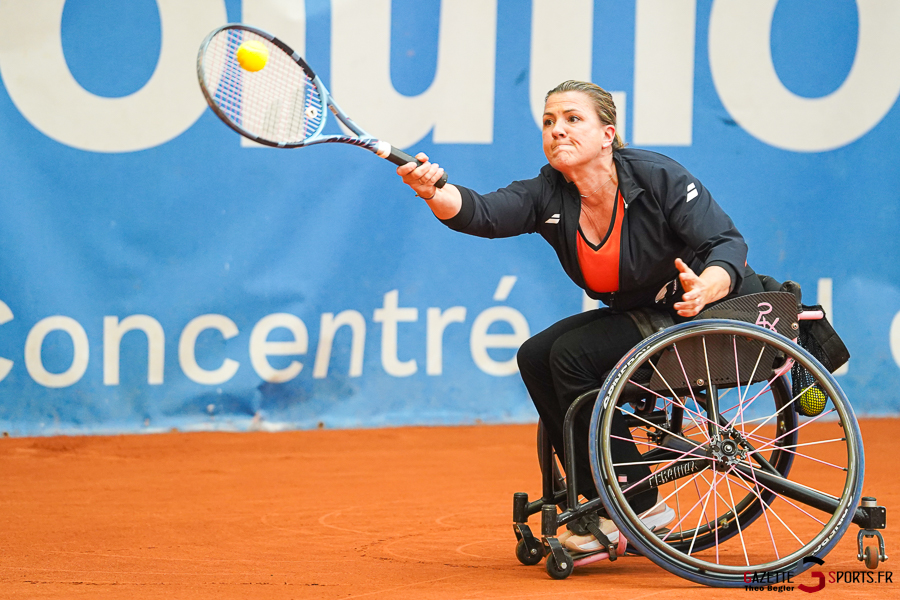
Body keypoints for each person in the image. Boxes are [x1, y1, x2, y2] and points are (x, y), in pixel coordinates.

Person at [396, 80, 763, 553]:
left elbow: (726, 243)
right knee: (535, 354)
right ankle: (606, 495)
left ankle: (635, 505)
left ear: (607, 134)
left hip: (708, 311)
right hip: (648, 318)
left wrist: (708, 284)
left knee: (573, 355)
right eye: (549, 122)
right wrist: (433, 190)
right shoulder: (550, 192)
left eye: (573, 119)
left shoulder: (656, 177)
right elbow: (482, 212)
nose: (557, 130)